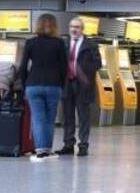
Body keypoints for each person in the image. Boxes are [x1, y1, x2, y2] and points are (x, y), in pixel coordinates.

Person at [19, 14, 67, 162]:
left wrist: (25, 85)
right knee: (50, 119)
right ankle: (47, 150)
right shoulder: (59, 43)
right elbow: (64, 68)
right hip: (53, 85)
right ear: (55, 26)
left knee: (38, 118)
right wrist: (62, 85)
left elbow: (23, 67)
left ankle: (40, 151)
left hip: (33, 85)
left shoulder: (31, 43)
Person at [56, 17, 102, 157]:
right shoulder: (63, 44)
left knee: (83, 116)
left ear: (82, 29)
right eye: (71, 27)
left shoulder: (91, 45)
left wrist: (82, 69)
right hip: (67, 83)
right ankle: (68, 144)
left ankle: (83, 145)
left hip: (83, 84)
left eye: (77, 27)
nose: (74, 29)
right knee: (68, 116)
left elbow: (98, 64)